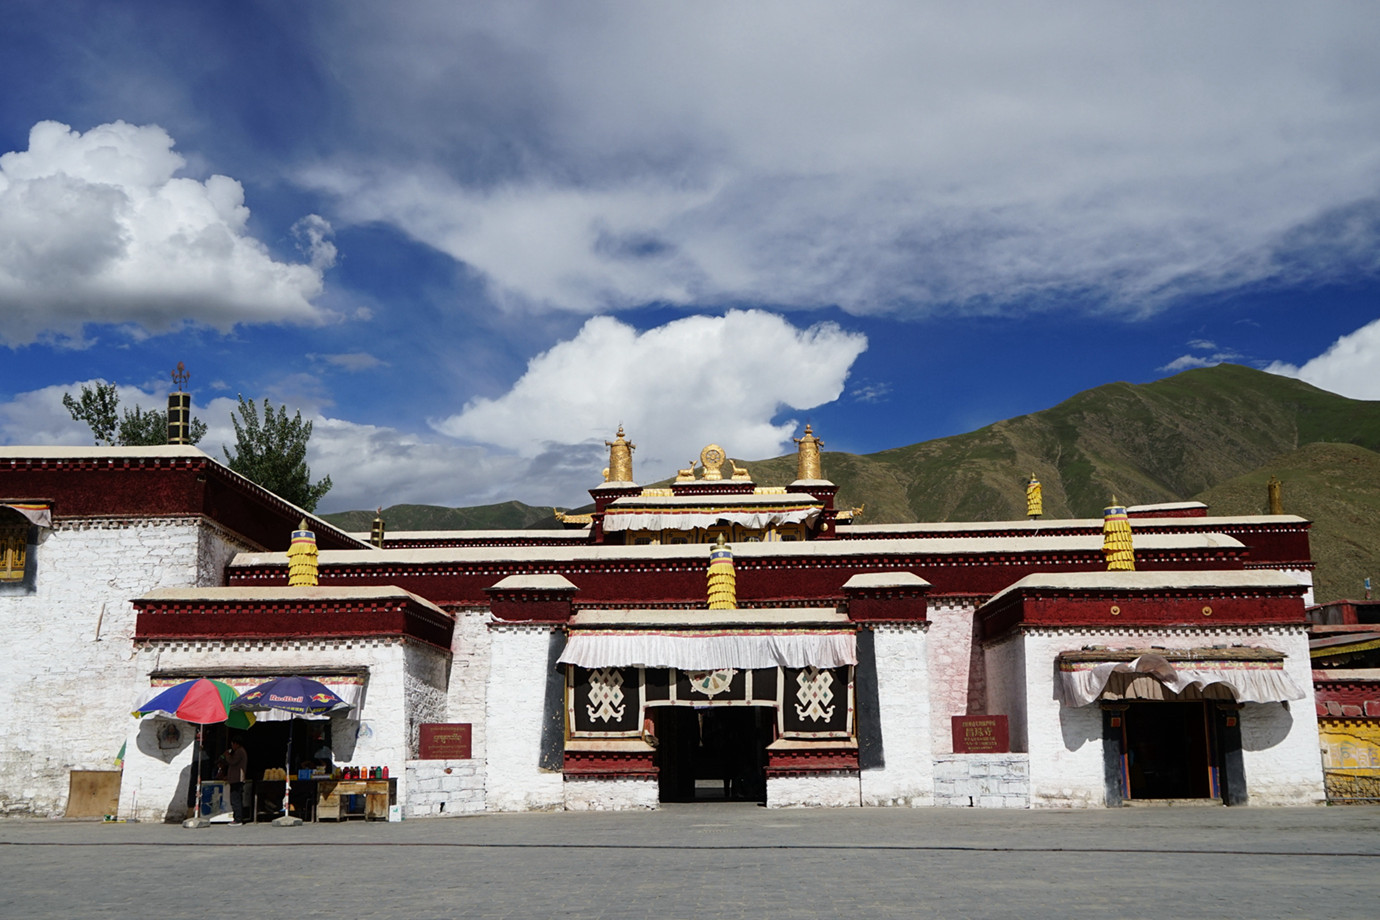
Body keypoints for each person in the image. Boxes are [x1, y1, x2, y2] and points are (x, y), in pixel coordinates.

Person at [224, 737, 249, 825]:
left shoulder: (239, 752)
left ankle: (238, 819)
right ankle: (238, 817)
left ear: (236, 744)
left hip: (237, 779)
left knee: (235, 799)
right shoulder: (240, 751)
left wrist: (227, 755)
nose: (232, 746)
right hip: (236, 779)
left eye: (233, 744)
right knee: (237, 799)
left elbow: (232, 761)